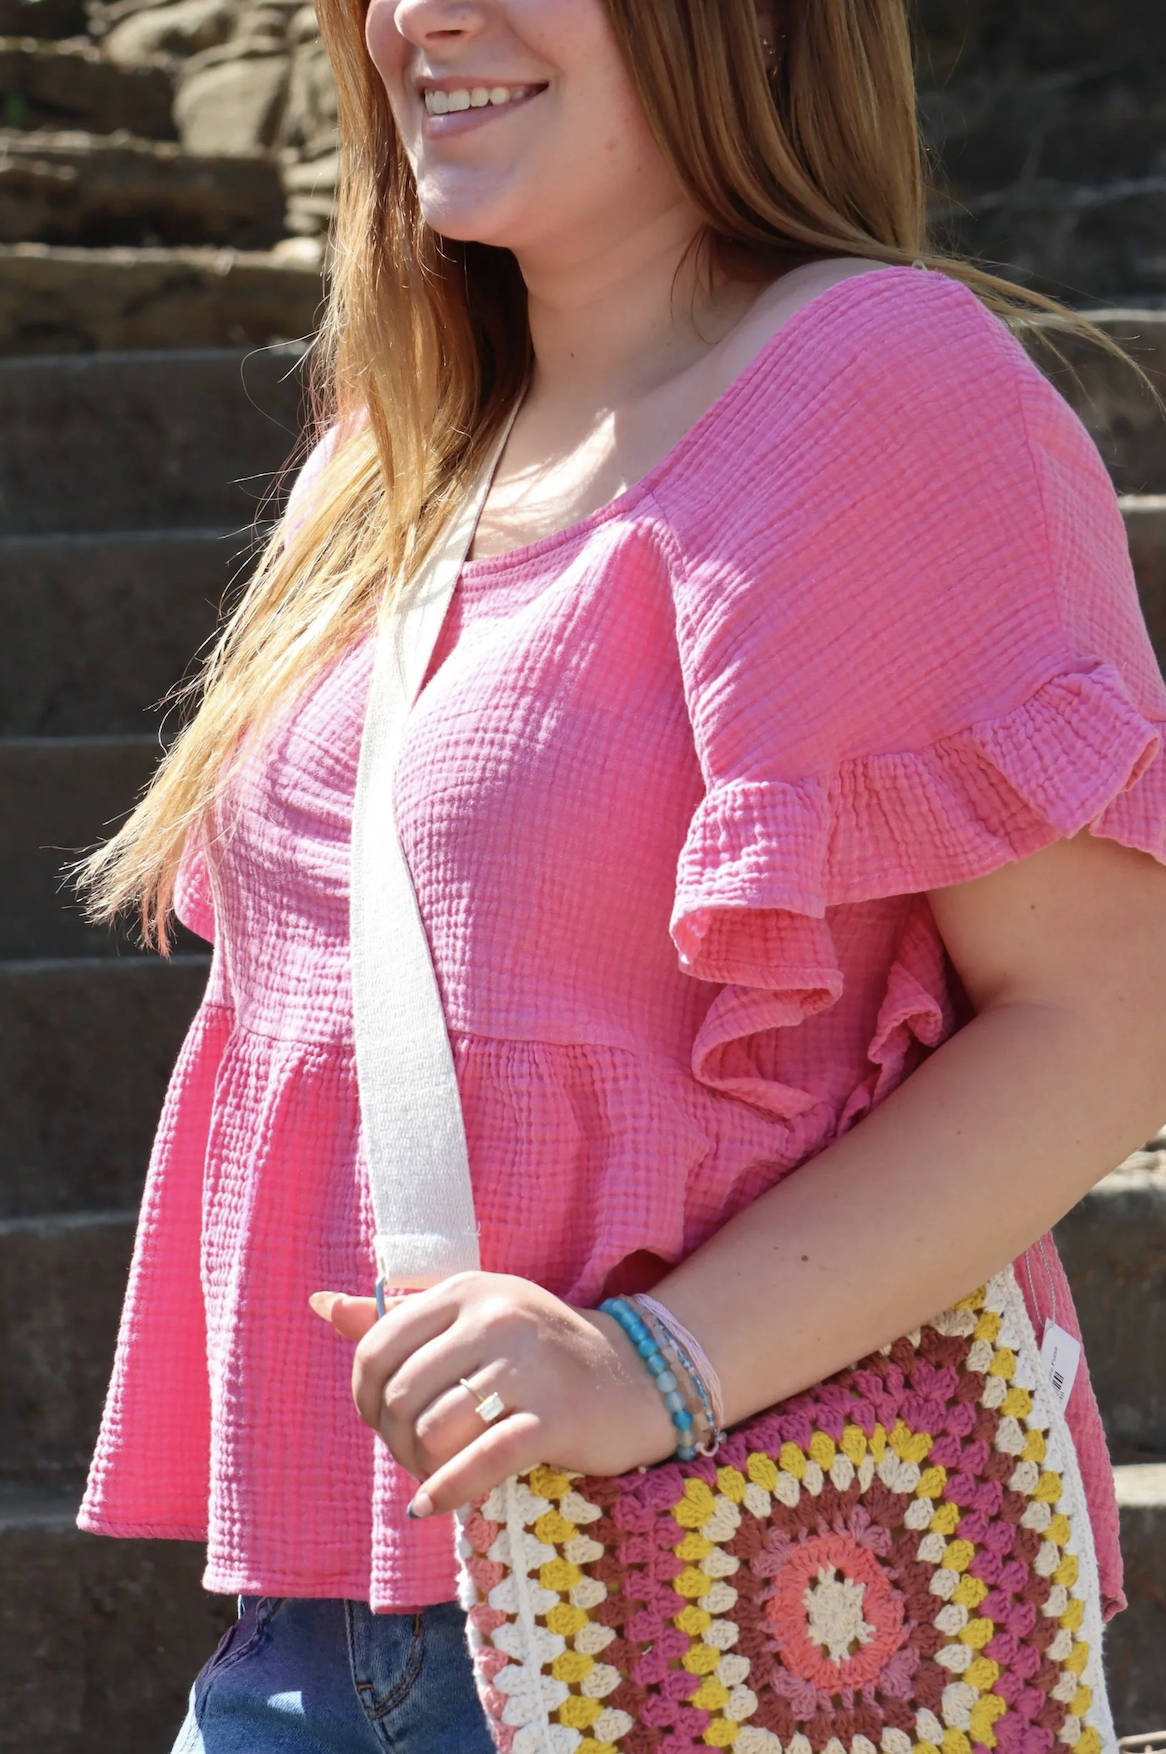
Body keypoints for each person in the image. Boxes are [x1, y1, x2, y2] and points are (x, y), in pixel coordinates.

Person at [76, 2, 1166, 1751]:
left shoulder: (881, 385)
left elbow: (1109, 1018)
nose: (422, 16)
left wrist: (648, 1362)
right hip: (305, 1631)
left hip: (741, 1605)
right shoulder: (388, 447)